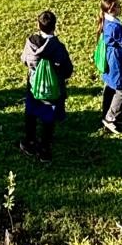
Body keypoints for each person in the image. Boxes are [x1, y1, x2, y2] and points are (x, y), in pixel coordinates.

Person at [20, 10, 73, 162]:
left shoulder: (31, 43)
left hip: (34, 88)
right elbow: (68, 70)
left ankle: (29, 142)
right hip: (52, 90)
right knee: (48, 119)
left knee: (31, 114)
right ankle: (44, 150)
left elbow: (24, 60)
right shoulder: (58, 47)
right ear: (54, 26)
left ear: (38, 25)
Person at [95, 0, 122, 135]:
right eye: (118, 6)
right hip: (116, 60)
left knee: (110, 86)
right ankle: (110, 117)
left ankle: (106, 113)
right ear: (111, 9)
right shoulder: (115, 26)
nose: (121, 8)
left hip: (108, 58)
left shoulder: (106, 21)